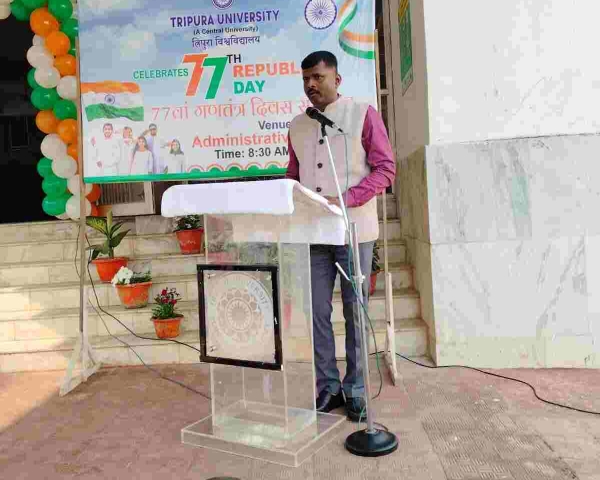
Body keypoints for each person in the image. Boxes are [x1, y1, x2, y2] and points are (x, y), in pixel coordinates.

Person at [285, 51, 396, 421]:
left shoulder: (363, 114)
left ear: (337, 79)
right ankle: (328, 388)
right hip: (314, 233)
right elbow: (293, 175)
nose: (310, 84)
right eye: (306, 79)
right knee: (317, 312)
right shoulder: (297, 126)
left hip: (354, 231)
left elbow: (385, 169)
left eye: (317, 77)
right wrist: (287, 197)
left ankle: (357, 391)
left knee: (355, 311)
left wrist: (347, 199)